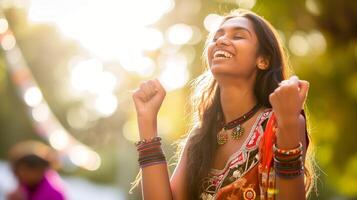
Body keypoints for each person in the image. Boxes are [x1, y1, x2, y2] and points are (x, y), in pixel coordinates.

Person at [131, 9, 315, 200]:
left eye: (238, 36)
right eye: (217, 36)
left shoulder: (281, 122)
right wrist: (147, 122)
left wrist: (288, 122)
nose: (221, 40)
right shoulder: (200, 138)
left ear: (263, 60)